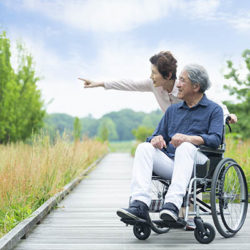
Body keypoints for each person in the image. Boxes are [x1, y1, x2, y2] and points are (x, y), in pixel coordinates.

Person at [116, 64, 224, 226]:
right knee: (144, 147)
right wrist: (156, 139)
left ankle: (172, 205)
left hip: (200, 165)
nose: (177, 84)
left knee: (186, 147)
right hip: (173, 164)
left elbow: (216, 139)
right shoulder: (173, 111)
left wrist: (189, 139)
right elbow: (155, 136)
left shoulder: (214, 110)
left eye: (182, 80)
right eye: (178, 79)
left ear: (196, 86)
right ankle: (139, 204)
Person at [78, 51, 237, 123]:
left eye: (154, 73)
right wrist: (99, 83)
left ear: (168, 75)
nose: (150, 77)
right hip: (173, 132)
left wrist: (227, 115)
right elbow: (129, 83)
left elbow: (210, 100)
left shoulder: (185, 88)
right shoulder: (154, 85)